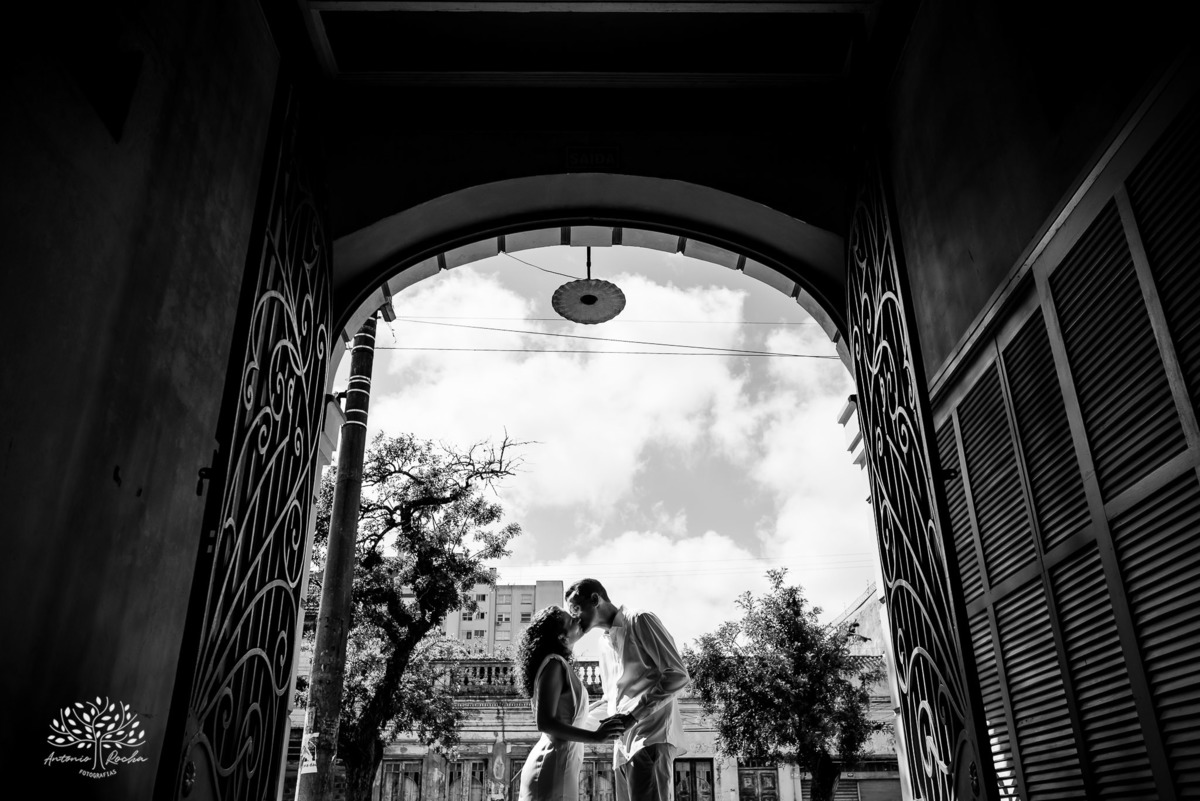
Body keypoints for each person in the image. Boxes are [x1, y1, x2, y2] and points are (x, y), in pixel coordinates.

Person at [565, 579, 689, 801]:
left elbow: (677, 674)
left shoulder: (640, 620)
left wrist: (633, 716)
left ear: (595, 600)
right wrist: (569, 728)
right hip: (622, 748)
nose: (575, 618)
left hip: (651, 737)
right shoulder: (603, 645)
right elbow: (611, 701)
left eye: (576, 609)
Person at [517, 606, 626, 801]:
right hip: (553, 762)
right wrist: (596, 737)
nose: (578, 620)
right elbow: (545, 723)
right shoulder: (554, 664)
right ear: (562, 637)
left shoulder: (560, 665)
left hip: (562, 762)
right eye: (571, 621)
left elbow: (576, 717)